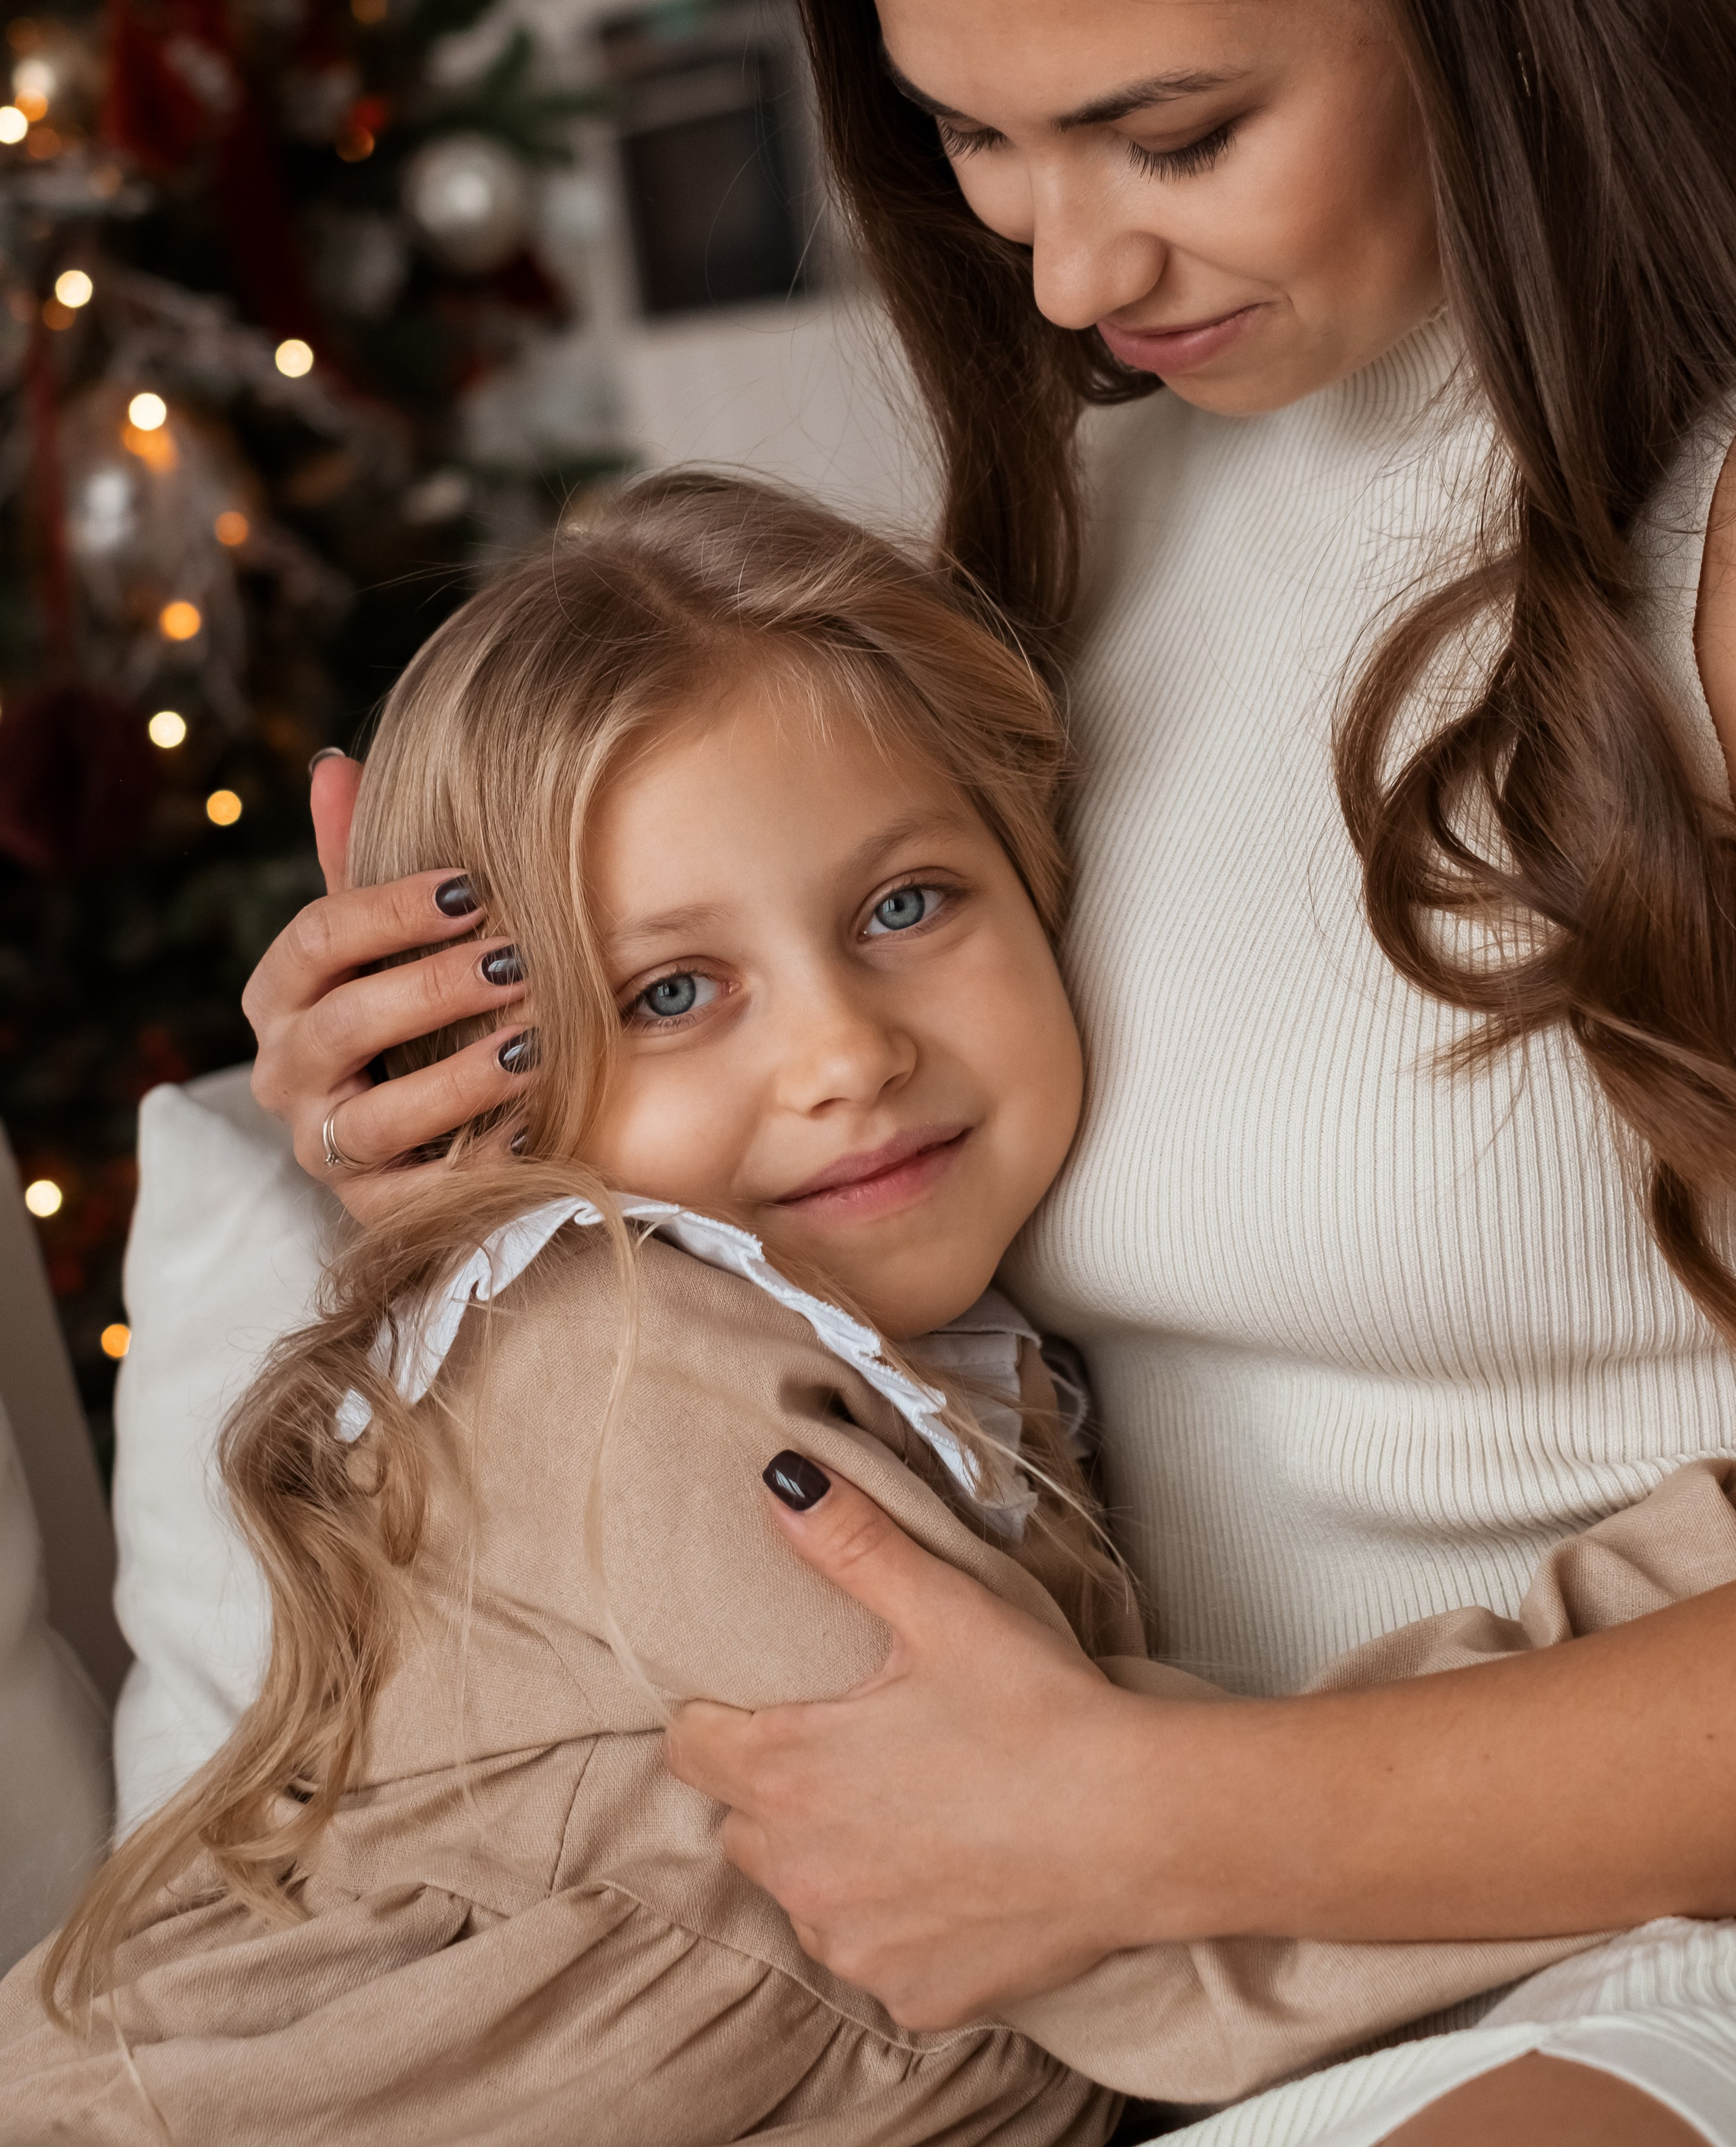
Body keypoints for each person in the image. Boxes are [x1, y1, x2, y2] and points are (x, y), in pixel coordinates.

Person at [240, 0, 1736, 2140]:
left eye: (1176, 131)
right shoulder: (1065, 550)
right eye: (969, 137)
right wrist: (434, 1104)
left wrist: (1140, 1823)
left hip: (1611, 1942)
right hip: (1097, 1989)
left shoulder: (1704, 545)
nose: (1061, 265)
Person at [12, 475, 1720, 2142]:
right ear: (480, 1074)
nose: (842, 1056)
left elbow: (1144, 1821)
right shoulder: (639, 1384)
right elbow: (1155, 1932)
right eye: (673, 992)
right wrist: (1674, 1586)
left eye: (903, 906)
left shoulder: (914, 1353)